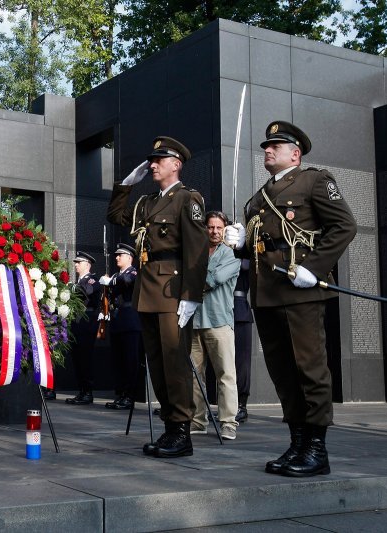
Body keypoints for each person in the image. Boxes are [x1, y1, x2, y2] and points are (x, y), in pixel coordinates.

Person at [225, 121, 357, 477]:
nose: (267, 150)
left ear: (295, 153)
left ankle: (317, 447)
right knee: (283, 372)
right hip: (266, 293)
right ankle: (297, 441)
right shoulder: (257, 198)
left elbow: (345, 226)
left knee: (309, 369)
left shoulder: (314, 181)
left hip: (301, 290)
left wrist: (315, 267)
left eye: (276, 145)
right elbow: (261, 246)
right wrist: (240, 243)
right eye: (267, 146)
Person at [107, 136, 209, 458]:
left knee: (174, 362)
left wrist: (191, 295)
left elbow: (197, 250)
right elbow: (115, 217)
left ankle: (182, 430)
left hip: (172, 290)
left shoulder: (187, 199)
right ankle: (170, 428)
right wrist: (125, 185)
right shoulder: (146, 202)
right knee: (157, 364)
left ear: (176, 164)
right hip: (148, 289)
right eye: (151, 160)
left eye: (158, 160)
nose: (152, 165)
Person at [189, 211, 240, 440]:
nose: (215, 232)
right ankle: (198, 421)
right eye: (211, 227)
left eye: (219, 228)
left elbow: (212, 280)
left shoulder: (230, 254)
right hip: (195, 321)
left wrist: (194, 276)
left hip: (219, 321)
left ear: (225, 229)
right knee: (194, 376)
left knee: (225, 375)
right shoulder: (197, 252)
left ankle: (228, 422)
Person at [100, 244, 142, 410]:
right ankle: (121, 394)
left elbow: (127, 281)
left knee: (130, 360)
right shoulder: (116, 275)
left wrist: (111, 281)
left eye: (120, 255)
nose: (117, 257)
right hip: (118, 321)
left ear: (129, 257)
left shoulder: (133, 271)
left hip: (131, 320)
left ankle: (129, 395)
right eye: (116, 255)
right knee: (118, 360)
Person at [64, 251, 101, 405]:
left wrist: (71, 288)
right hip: (77, 323)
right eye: (76, 262)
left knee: (85, 358)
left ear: (87, 264)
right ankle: (82, 390)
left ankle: (87, 392)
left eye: (79, 262)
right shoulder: (78, 282)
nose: (76, 265)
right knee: (77, 359)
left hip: (87, 323)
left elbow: (86, 291)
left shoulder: (92, 280)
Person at [233, 258, 253, 423]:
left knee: (241, 363)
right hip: (219, 307)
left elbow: (247, 264)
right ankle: (228, 405)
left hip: (239, 309)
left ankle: (241, 405)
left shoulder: (243, 255)